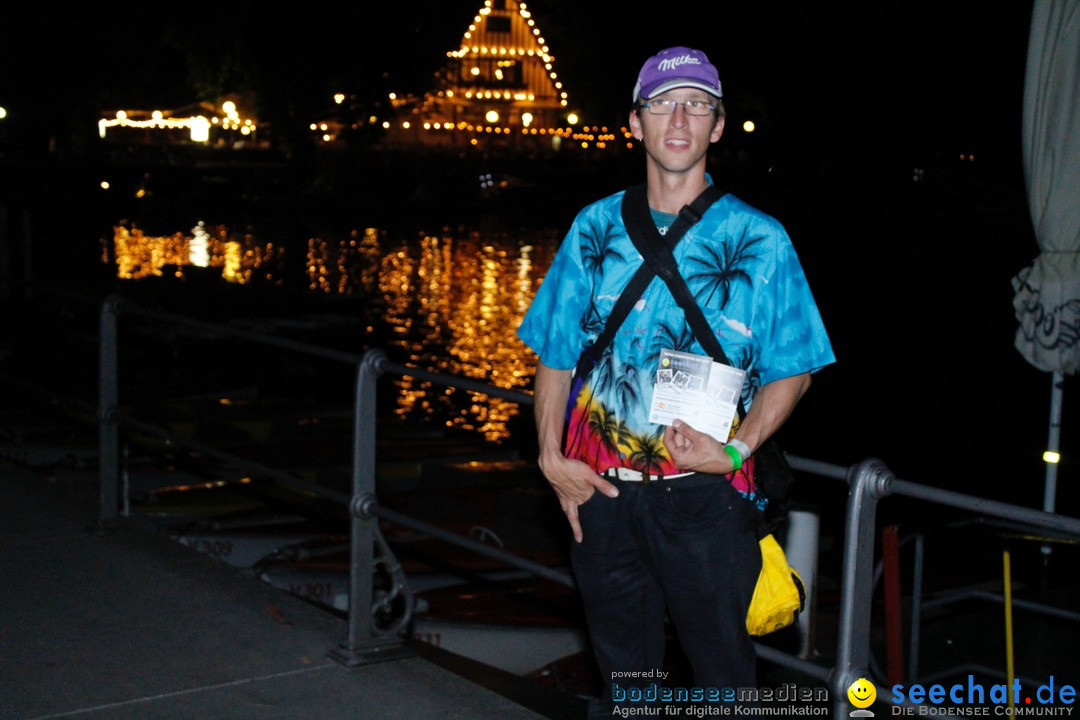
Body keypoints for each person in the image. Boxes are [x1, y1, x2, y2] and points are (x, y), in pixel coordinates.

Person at [516, 46, 836, 716]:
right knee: (629, 684)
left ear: (718, 126)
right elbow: (553, 350)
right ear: (635, 122)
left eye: (697, 104)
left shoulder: (761, 239)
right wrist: (549, 456)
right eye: (663, 103)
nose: (680, 117)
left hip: (704, 501)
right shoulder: (593, 227)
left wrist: (738, 451)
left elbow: (796, 367)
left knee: (723, 681)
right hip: (599, 496)